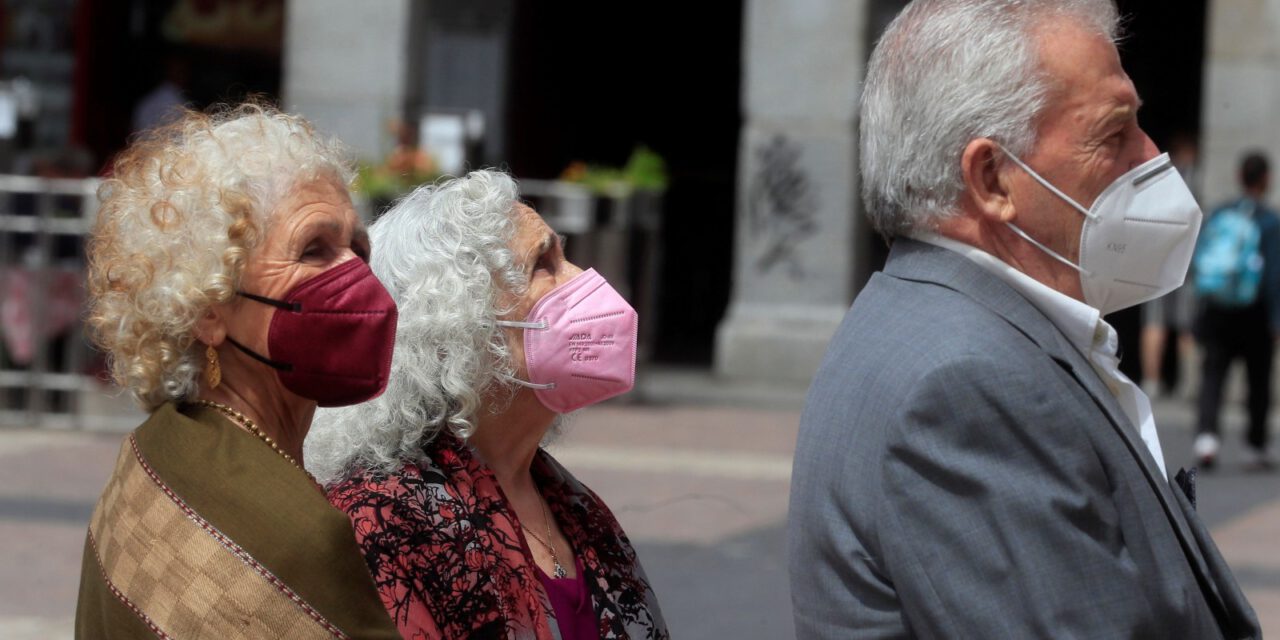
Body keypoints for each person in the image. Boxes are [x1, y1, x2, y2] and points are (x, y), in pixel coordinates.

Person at [788, 1, 1260, 638]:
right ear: (992, 179)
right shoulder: (966, 383)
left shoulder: (938, 323)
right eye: (1114, 133)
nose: (1150, 158)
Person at [76, 104, 401, 638]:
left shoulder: (155, 447)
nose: (354, 273)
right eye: (314, 249)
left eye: (358, 248)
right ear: (208, 308)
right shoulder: (295, 534)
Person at [305, 170, 668, 640]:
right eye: (544, 264)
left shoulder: (571, 503)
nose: (581, 280)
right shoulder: (381, 522)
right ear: (459, 324)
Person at [1192, 151, 1280, 470]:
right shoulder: (1268, 221)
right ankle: (1254, 445)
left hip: (1216, 310)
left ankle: (1206, 437)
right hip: (1254, 314)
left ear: (1240, 176)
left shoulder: (1220, 213)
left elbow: (1200, 262)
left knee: (1213, 374)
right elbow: (1273, 276)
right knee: (1258, 378)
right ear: (1265, 178)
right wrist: (1275, 320)